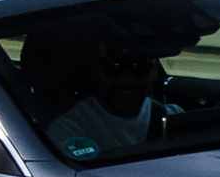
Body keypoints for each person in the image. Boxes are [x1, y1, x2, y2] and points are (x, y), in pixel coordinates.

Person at [45, 42, 175, 160]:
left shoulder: (172, 117)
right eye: (114, 67)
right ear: (96, 69)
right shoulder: (68, 131)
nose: (126, 80)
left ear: (155, 70)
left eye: (140, 67)